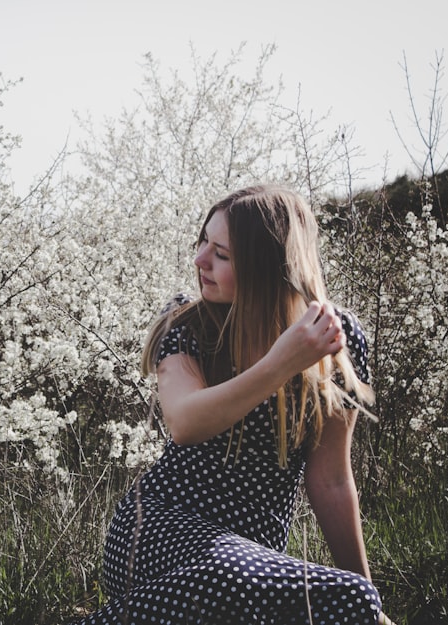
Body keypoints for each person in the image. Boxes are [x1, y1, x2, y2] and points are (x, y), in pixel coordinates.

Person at [76, 185, 395, 624]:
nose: (200, 260)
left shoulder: (335, 339)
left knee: (351, 601)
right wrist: (280, 363)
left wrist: (369, 603)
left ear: (267, 268)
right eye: (202, 242)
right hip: (157, 534)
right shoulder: (187, 323)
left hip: (252, 564)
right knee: (226, 573)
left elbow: (332, 482)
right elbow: (185, 422)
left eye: (221, 254)